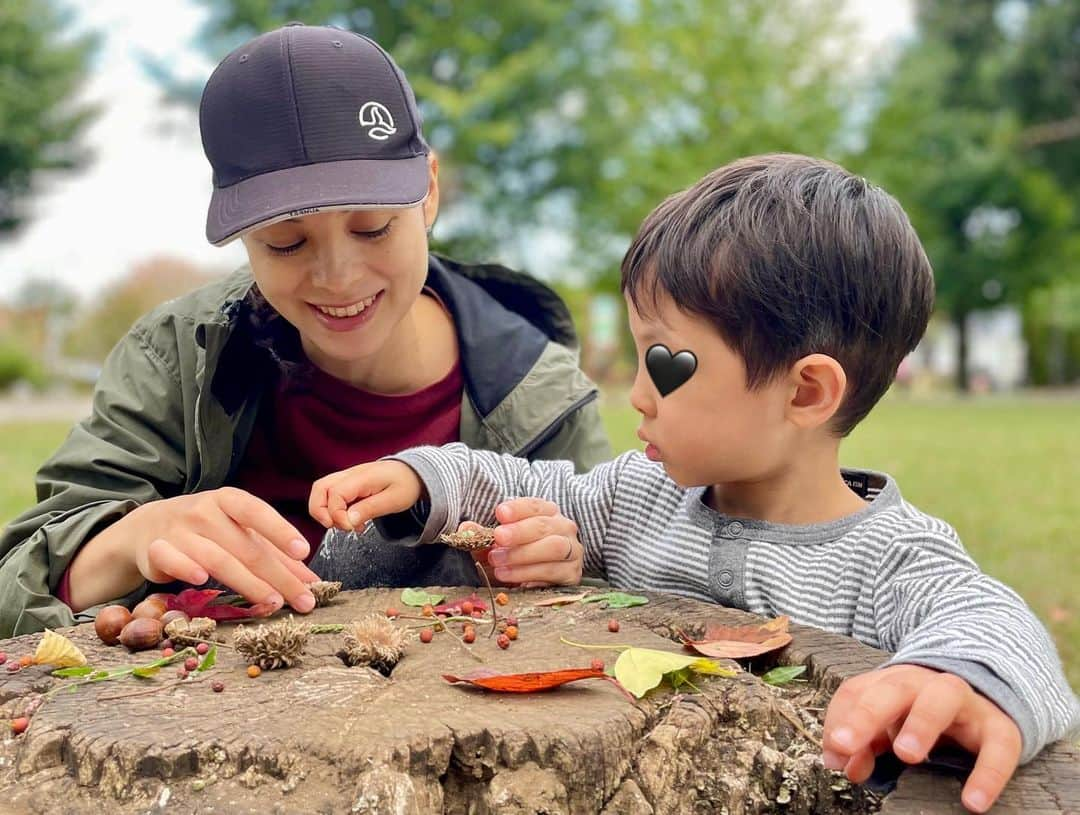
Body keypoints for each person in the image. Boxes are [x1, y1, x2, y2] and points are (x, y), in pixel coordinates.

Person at [310, 154, 1080, 813]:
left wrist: (946, 674)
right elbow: (517, 484)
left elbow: (997, 621)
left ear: (806, 392)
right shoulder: (638, 497)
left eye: (666, 362)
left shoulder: (889, 558)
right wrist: (419, 476)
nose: (638, 395)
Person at [0, 23, 610, 637]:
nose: (337, 277)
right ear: (243, 238)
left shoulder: (543, 398)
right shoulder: (175, 359)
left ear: (429, 190)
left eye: (372, 228)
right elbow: (13, 584)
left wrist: (565, 561)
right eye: (285, 243)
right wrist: (129, 540)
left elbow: (626, 586)